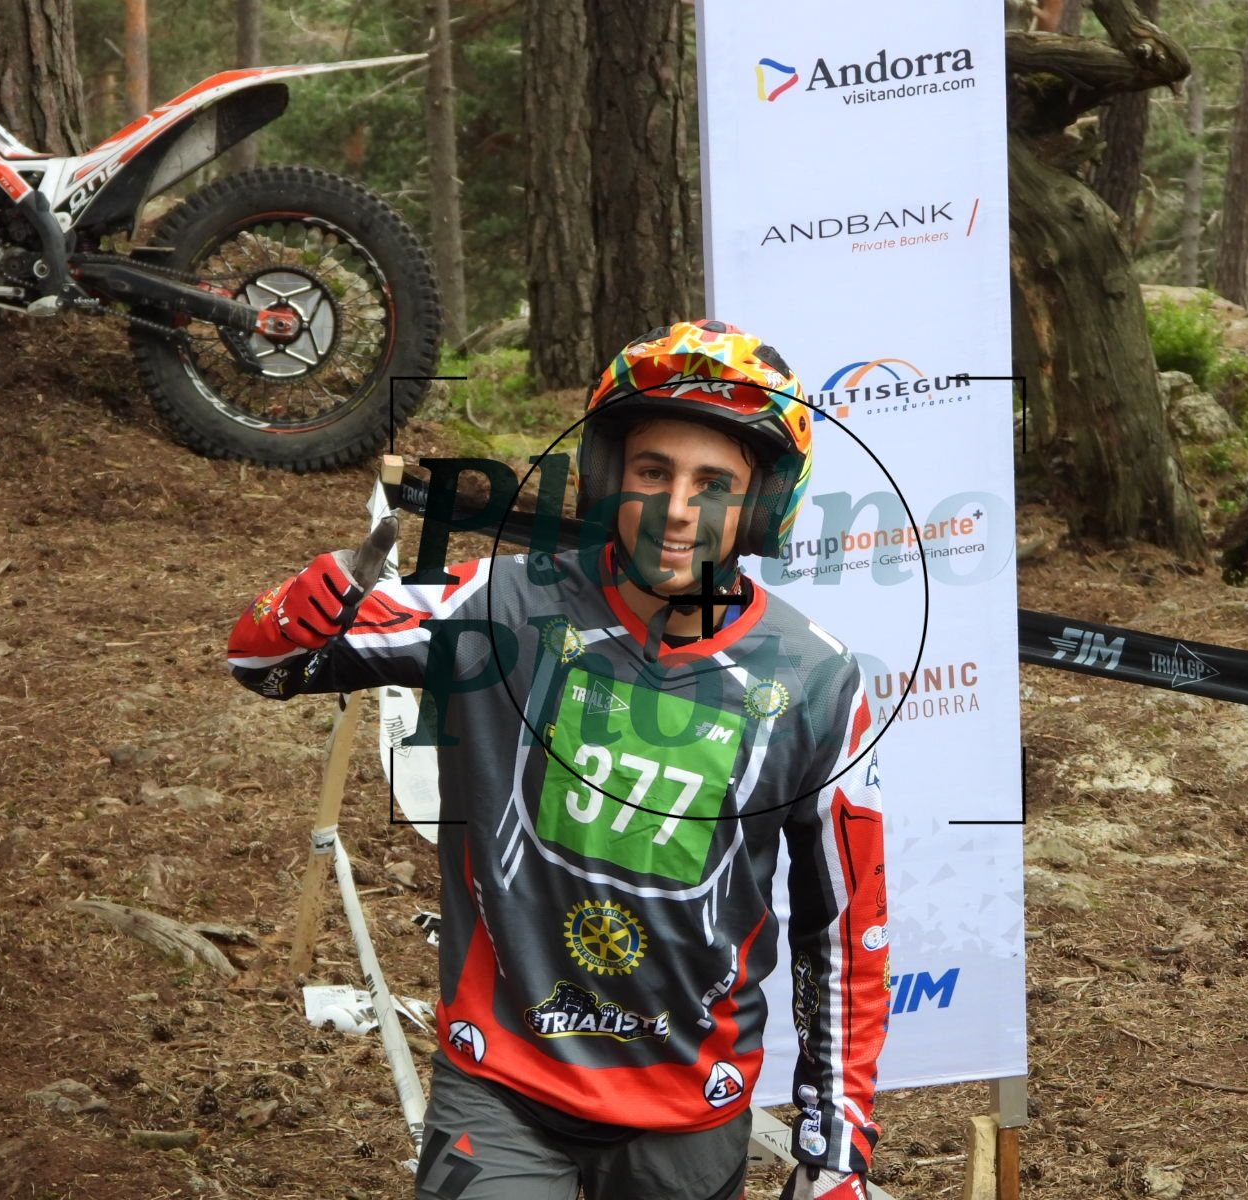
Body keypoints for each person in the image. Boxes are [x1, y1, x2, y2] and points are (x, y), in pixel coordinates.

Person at [227, 320, 888, 1200]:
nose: (677, 508)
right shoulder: (496, 604)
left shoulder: (818, 680)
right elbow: (265, 667)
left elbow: (842, 928)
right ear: (607, 477)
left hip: (689, 1104)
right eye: (652, 471)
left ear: (760, 505)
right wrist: (306, 605)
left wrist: (835, 1145)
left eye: (712, 484)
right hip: (504, 1085)